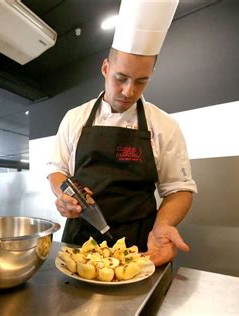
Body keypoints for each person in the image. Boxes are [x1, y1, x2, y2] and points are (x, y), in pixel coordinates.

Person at [47, 0, 197, 266]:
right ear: (105, 69)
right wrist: (64, 196)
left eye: (141, 81)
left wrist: (163, 226)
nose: (129, 91)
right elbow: (57, 170)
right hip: (79, 244)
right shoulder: (75, 118)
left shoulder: (163, 125)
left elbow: (179, 189)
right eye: (121, 78)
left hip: (140, 247)